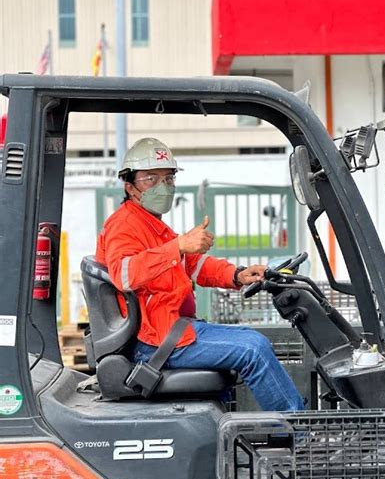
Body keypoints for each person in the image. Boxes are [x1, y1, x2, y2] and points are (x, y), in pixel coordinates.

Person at [95, 137, 304, 411]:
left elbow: (195, 265)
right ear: (129, 185)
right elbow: (124, 275)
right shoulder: (124, 225)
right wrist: (178, 245)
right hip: (154, 341)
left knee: (253, 339)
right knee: (254, 349)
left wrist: (238, 275)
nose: (163, 186)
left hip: (172, 329)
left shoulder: (153, 226)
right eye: (150, 179)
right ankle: (300, 439)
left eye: (168, 178)